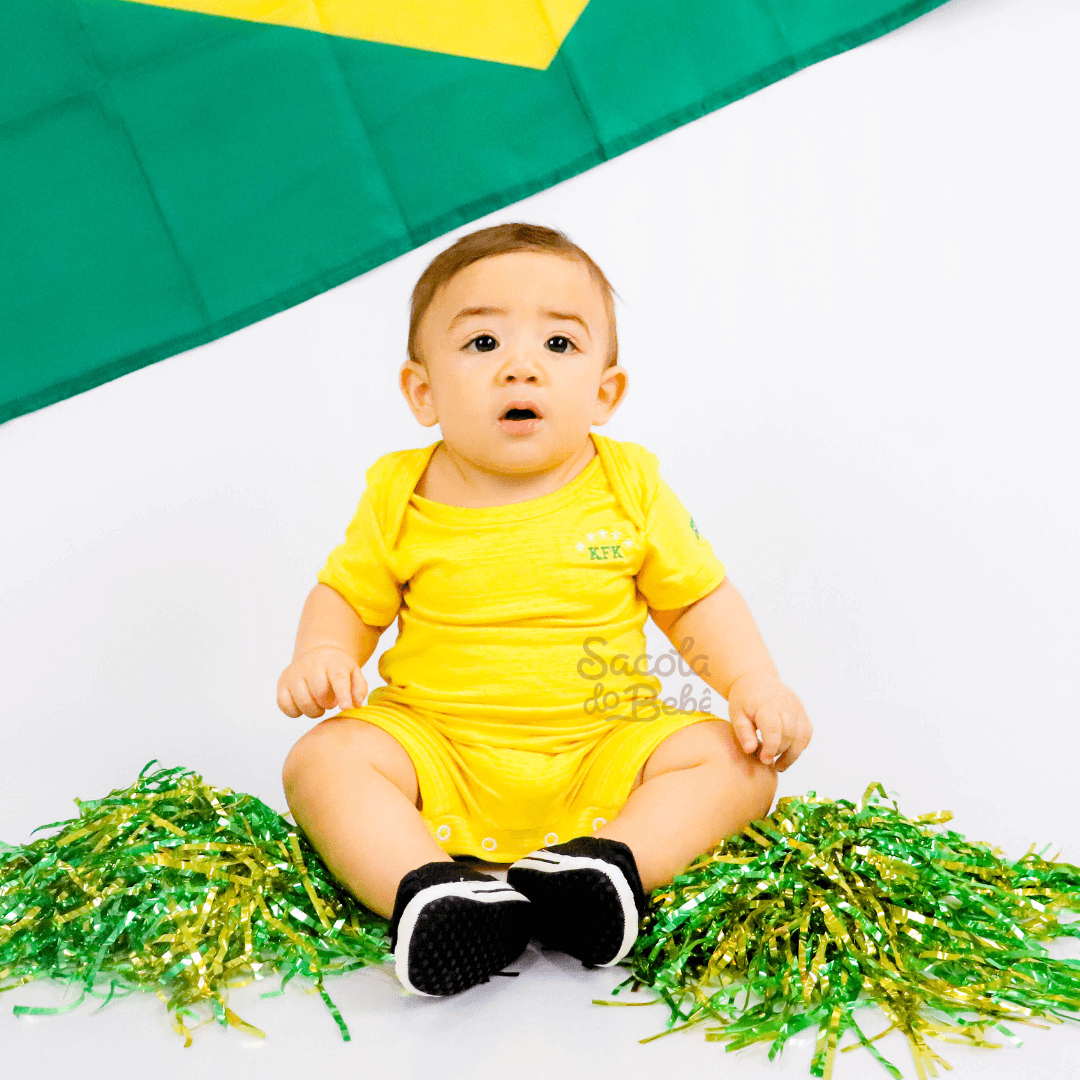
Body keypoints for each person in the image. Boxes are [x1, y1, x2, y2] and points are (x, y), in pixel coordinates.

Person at [277, 223, 813, 997]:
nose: (521, 367)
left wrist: (753, 685)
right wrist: (324, 652)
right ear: (422, 392)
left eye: (558, 346)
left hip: (604, 745)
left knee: (737, 762)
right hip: (437, 748)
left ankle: (608, 868)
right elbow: (345, 596)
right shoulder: (399, 494)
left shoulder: (628, 486)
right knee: (322, 761)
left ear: (605, 391)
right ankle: (429, 890)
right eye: (484, 343)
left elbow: (696, 600)